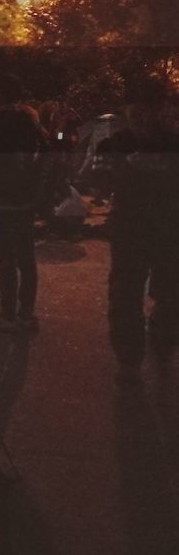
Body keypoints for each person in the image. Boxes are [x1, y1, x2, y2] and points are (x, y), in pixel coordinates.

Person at [98, 84, 179, 382]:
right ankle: (130, 359)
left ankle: (159, 341)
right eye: (134, 112)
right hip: (132, 230)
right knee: (126, 293)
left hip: (165, 229)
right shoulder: (116, 143)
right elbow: (100, 182)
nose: (140, 117)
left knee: (165, 292)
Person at [0, 74, 45, 332]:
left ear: (1, 94)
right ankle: (26, 313)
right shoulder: (30, 120)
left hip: (3, 198)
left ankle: (8, 314)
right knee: (26, 256)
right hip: (26, 196)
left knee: (6, 257)